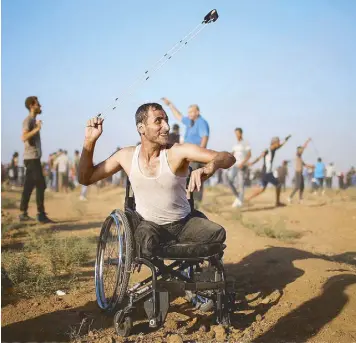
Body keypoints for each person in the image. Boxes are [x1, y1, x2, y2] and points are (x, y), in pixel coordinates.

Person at [79, 102, 233, 258]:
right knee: (145, 239)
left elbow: (228, 157)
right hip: (150, 227)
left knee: (217, 233)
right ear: (141, 128)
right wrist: (89, 141)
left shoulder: (178, 152)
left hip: (184, 224)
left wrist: (209, 168)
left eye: (166, 120)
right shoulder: (125, 156)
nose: (166, 127)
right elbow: (85, 178)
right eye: (158, 121)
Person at [161, 98, 209, 202]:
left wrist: (200, 154)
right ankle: (188, 200)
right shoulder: (190, 122)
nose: (189, 114)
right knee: (187, 177)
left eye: (192, 112)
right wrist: (170, 104)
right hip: (188, 154)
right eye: (189, 112)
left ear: (197, 112)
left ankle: (196, 203)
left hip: (195, 155)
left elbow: (205, 137)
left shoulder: (201, 122)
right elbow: (179, 116)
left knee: (194, 178)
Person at [19, 96, 53, 223]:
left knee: (29, 185)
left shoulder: (33, 120)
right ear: (32, 106)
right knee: (41, 184)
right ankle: (41, 214)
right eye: (38, 104)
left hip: (33, 158)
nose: (40, 106)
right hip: (31, 158)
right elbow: (23, 137)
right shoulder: (28, 120)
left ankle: (23, 213)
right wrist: (37, 129)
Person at [246, 135, 291, 207]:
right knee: (278, 184)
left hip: (266, 173)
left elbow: (280, 145)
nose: (279, 144)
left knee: (262, 189)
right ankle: (277, 202)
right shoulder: (267, 150)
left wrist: (286, 140)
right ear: (274, 143)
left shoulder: (273, 150)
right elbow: (259, 157)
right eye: (278, 142)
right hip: (266, 173)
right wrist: (252, 163)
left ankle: (247, 199)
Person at [224, 128, 251, 208]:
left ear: (241, 133)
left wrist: (243, 163)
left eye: (237, 133)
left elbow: (249, 155)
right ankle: (238, 196)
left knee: (241, 184)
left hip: (242, 166)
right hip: (235, 165)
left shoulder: (245, 143)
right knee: (228, 180)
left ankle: (240, 201)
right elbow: (232, 154)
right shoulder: (235, 144)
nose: (236, 135)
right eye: (235, 133)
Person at [288, 138, 314, 204]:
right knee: (297, 187)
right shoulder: (297, 155)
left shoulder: (300, 158)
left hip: (300, 173)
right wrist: (307, 141)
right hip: (298, 173)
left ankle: (300, 199)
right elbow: (303, 148)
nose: (302, 151)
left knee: (302, 186)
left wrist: (311, 166)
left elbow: (304, 165)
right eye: (300, 150)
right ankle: (290, 197)